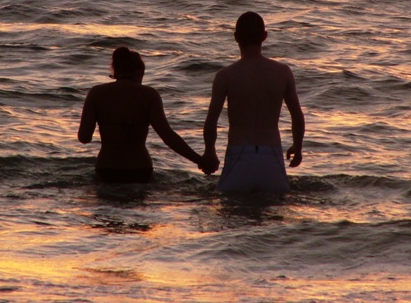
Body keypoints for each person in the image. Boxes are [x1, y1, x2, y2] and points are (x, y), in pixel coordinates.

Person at [202, 11, 305, 193]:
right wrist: (298, 146)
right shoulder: (283, 72)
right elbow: (297, 117)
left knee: (225, 203)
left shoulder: (225, 76)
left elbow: (211, 122)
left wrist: (209, 151)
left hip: (238, 155)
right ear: (264, 36)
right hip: (271, 156)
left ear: (236, 37)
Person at [78, 47, 209, 183]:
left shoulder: (96, 93)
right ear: (139, 72)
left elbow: (84, 137)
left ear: (115, 69)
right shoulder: (149, 95)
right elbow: (167, 136)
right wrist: (200, 161)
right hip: (140, 169)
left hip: (106, 168)